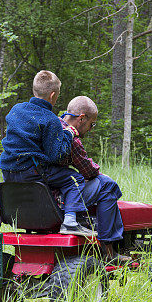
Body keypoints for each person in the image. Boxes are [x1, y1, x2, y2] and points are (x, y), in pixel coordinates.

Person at [0, 70, 95, 237]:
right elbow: (56, 155)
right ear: (52, 95)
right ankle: (71, 221)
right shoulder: (50, 119)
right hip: (32, 171)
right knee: (75, 179)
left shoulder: (16, 110)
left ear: (34, 90)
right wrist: (68, 134)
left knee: (10, 186)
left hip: (8, 170)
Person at [60, 96, 129, 264]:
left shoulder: (52, 125)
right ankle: (108, 250)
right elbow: (88, 171)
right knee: (108, 186)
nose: (91, 129)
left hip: (42, 191)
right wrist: (99, 173)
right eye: (92, 124)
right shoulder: (71, 138)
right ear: (82, 118)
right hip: (58, 196)